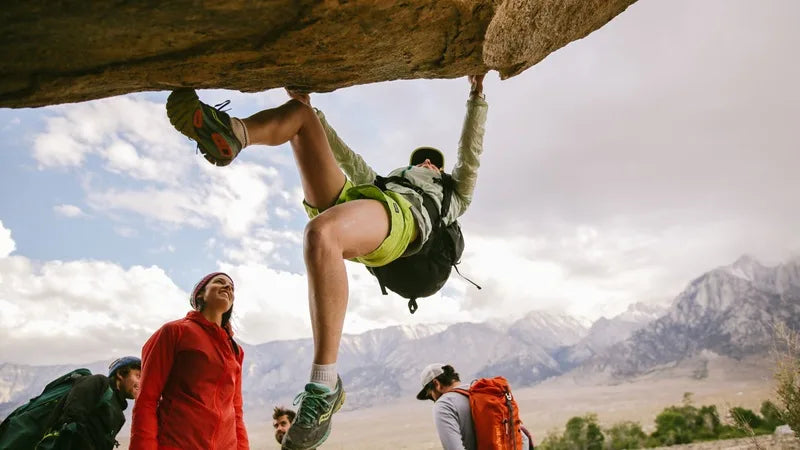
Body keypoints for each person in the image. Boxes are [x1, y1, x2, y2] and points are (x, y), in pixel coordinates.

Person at [165, 74, 488, 450]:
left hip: (402, 226)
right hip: (368, 204)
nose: (428, 162)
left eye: (433, 163)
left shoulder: (453, 196)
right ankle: (234, 133)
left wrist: (476, 94)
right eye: (421, 160)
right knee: (300, 120)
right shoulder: (388, 181)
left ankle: (324, 384)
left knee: (320, 233)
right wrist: (313, 108)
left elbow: (471, 155)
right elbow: (348, 159)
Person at [130, 272, 249, 449]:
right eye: (219, 282)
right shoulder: (174, 332)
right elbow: (147, 399)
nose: (228, 288)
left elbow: (236, 410)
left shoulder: (235, 351)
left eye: (231, 287)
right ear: (200, 294)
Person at [416, 363, 533, 450]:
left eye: (430, 396)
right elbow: (522, 438)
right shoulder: (486, 394)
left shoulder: (444, 405)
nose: (433, 400)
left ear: (437, 384)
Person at [39, 356, 141, 450]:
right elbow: (71, 418)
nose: (141, 383)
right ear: (120, 374)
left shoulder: (120, 416)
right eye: (138, 376)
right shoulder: (99, 382)